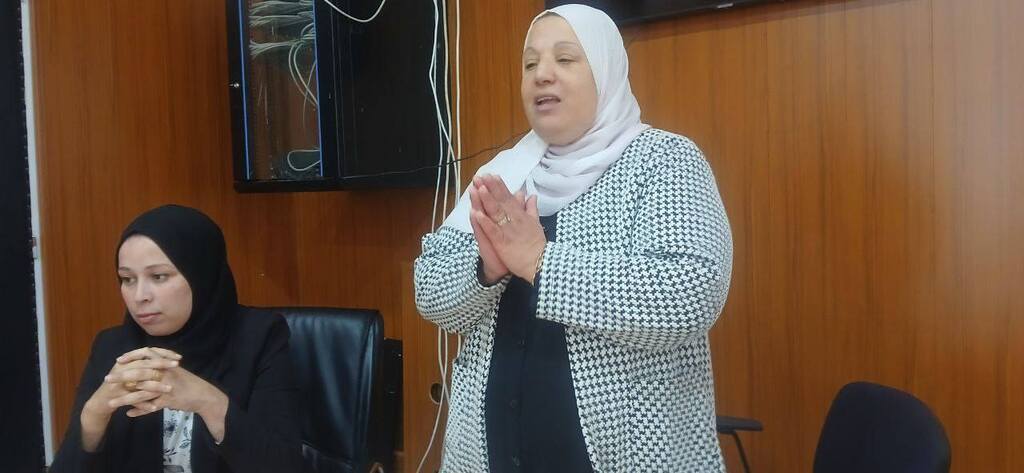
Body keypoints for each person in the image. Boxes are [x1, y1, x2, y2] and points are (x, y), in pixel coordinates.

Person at [414, 4, 733, 472]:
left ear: (606, 70)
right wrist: (485, 272)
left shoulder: (663, 160)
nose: (541, 74)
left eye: (564, 59)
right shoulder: (504, 173)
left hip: (629, 457)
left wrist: (541, 262)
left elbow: (689, 293)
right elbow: (430, 294)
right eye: (530, 64)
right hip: (493, 456)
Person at [51, 205, 303, 473]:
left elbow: (284, 466)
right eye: (127, 279)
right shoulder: (113, 347)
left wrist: (208, 401)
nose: (139, 296)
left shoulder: (259, 337)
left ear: (201, 274)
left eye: (158, 276)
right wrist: (94, 415)